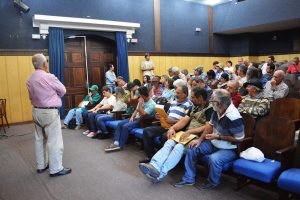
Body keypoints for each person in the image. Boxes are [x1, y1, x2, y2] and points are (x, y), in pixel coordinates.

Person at [174, 89, 244, 190]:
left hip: (229, 148)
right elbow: (209, 126)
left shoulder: (234, 117)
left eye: (212, 101)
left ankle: (213, 182)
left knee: (214, 159)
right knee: (192, 149)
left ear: (219, 103)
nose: (211, 103)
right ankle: (189, 178)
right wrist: (199, 140)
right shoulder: (217, 110)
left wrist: (219, 137)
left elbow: (239, 139)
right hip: (214, 143)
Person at [139, 87, 212, 183]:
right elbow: (184, 120)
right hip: (187, 133)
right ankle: (154, 165)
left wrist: (190, 131)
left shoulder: (210, 109)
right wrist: (172, 128)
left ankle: (160, 173)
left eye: (193, 97)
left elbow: (207, 127)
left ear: (201, 98)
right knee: (169, 142)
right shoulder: (195, 106)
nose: (191, 99)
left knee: (178, 147)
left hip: (197, 136)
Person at [26, 53, 71, 177]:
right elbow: (63, 90)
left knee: (39, 140)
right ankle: (56, 169)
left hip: (36, 111)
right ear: (45, 64)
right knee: (54, 141)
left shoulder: (29, 79)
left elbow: (31, 96)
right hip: (49, 112)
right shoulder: (49, 77)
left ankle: (41, 166)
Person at [140, 86, 193, 163]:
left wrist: (173, 121)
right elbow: (167, 116)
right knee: (147, 131)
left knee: (164, 136)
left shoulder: (189, 104)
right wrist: (160, 117)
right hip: (166, 125)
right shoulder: (173, 103)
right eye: (175, 92)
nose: (175, 94)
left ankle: (163, 160)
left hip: (178, 129)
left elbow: (186, 121)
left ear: (185, 94)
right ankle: (151, 156)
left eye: (178, 93)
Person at [105, 86, 156, 152]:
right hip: (136, 118)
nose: (138, 95)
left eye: (139, 94)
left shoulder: (152, 104)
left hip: (143, 121)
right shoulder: (142, 100)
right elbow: (136, 110)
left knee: (125, 126)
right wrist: (132, 117)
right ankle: (116, 143)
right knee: (120, 124)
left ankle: (121, 145)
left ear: (142, 95)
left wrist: (140, 104)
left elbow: (143, 114)